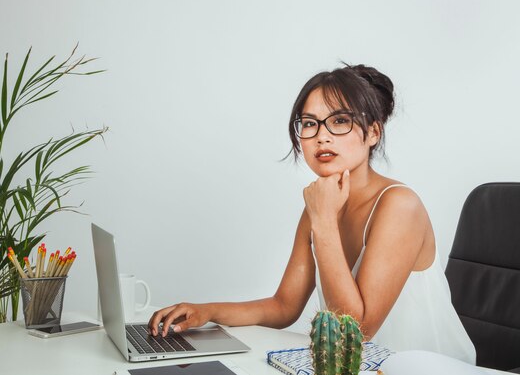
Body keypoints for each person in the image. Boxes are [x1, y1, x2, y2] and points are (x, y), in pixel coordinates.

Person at [149, 64, 476, 364]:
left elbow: (355, 334)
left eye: (340, 121)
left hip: (426, 368)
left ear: (373, 133)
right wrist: (206, 312)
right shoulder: (321, 205)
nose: (321, 135)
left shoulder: (399, 205)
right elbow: (283, 307)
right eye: (309, 123)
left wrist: (323, 221)